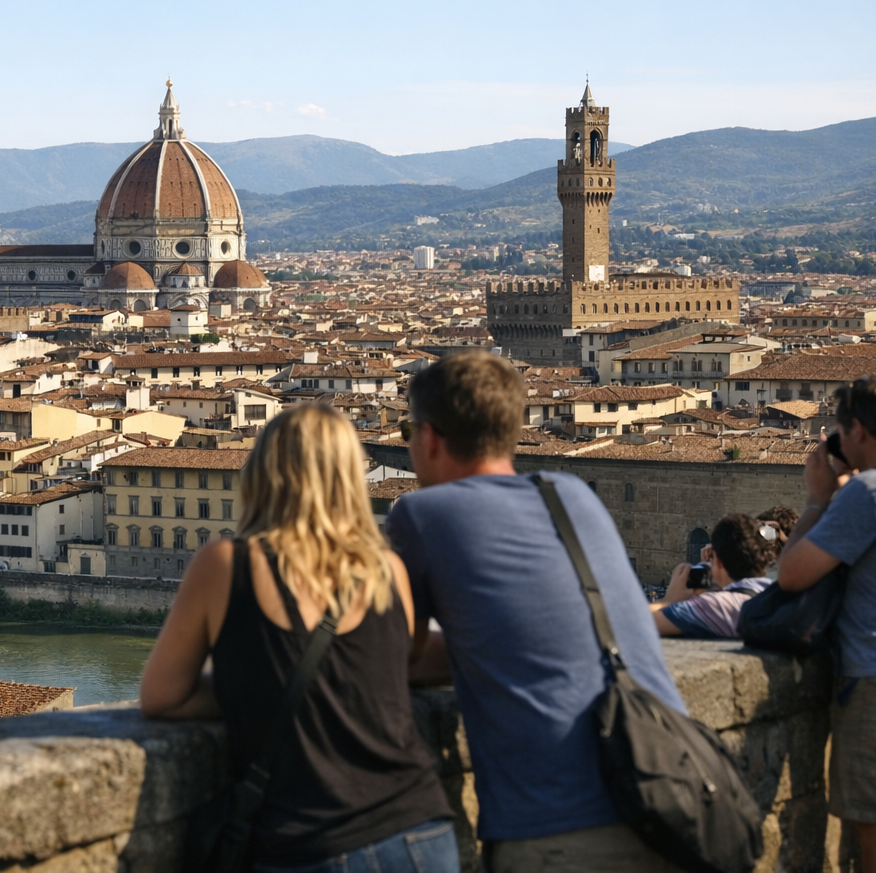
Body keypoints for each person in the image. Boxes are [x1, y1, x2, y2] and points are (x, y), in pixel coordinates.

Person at [390, 351, 688, 872]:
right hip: (669, 795)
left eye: (407, 430)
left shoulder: (422, 513)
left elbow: (396, 655)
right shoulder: (568, 492)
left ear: (431, 437)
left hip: (557, 826)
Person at [140, 403, 457, 873]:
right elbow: (397, 666)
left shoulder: (227, 564)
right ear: (351, 478)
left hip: (308, 845)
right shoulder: (386, 568)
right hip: (421, 830)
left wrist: (256, 687)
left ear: (263, 473)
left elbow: (162, 697)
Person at [777, 374, 876, 873]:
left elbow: (790, 574)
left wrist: (816, 499)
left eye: (840, 430)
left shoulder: (872, 491)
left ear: (859, 433)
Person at [651, 513, 774, 638]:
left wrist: (668, 601)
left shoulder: (717, 606)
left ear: (719, 562)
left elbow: (637, 624)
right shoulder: (774, 592)